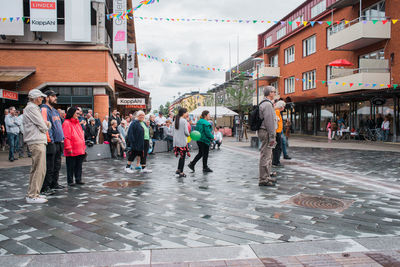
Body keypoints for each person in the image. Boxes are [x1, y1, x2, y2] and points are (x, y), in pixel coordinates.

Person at [23, 89, 51, 203]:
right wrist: (46, 124)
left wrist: (45, 124)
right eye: (40, 97)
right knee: (39, 168)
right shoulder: (32, 108)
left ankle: (34, 193)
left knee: (38, 168)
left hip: (37, 140)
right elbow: (43, 125)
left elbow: (43, 124)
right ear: (35, 98)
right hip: (36, 140)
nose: (42, 98)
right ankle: (33, 195)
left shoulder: (33, 108)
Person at [40, 90, 65, 195]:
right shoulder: (44, 109)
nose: (55, 98)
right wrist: (50, 141)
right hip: (51, 142)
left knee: (57, 165)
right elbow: (46, 127)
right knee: (49, 166)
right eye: (53, 96)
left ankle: (54, 183)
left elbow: (59, 125)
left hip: (59, 142)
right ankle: (45, 187)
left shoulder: (54, 110)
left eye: (55, 96)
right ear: (47, 97)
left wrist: (62, 138)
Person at [258, 86, 277, 187]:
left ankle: (266, 176)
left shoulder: (264, 103)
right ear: (269, 93)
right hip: (266, 132)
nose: (275, 93)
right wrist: (272, 136)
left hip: (265, 131)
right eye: (274, 92)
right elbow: (269, 122)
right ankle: (263, 179)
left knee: (268, 155)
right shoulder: (267, 105)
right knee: (266, 155)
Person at [62, 107, 86, 186]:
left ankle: (78, 179)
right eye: (77, 113)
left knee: (79, 165)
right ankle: (70, 180)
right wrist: (68, 148)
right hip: (72, 149)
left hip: (79, 148)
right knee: (71, 166)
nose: (78, 115)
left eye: (79, 114)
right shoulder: (67, 123)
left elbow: (81, 135)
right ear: (72, 113)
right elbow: (66, 137)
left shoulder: (77, 122)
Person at [173, 108, 190, 177]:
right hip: (182, 142)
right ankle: (181, 172)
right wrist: (189, 134)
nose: (187, 114)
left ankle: (178, 169)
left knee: (181, 156)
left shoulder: (175, 121)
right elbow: (186, 132)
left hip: (176, 142)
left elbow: (172, 132)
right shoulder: (184, 121)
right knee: (183, 157)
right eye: (187, 113)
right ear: (184, 113)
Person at [272, 100, 286, 167]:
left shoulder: (278, 111)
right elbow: (276, 122)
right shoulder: (277, 112)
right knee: (278, 147)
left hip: (278, 131)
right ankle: (276, 162)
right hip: (277, 132)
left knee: (277, 147)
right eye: (284, 106)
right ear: (281, 106)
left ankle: (275, 161)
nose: (284, 108)